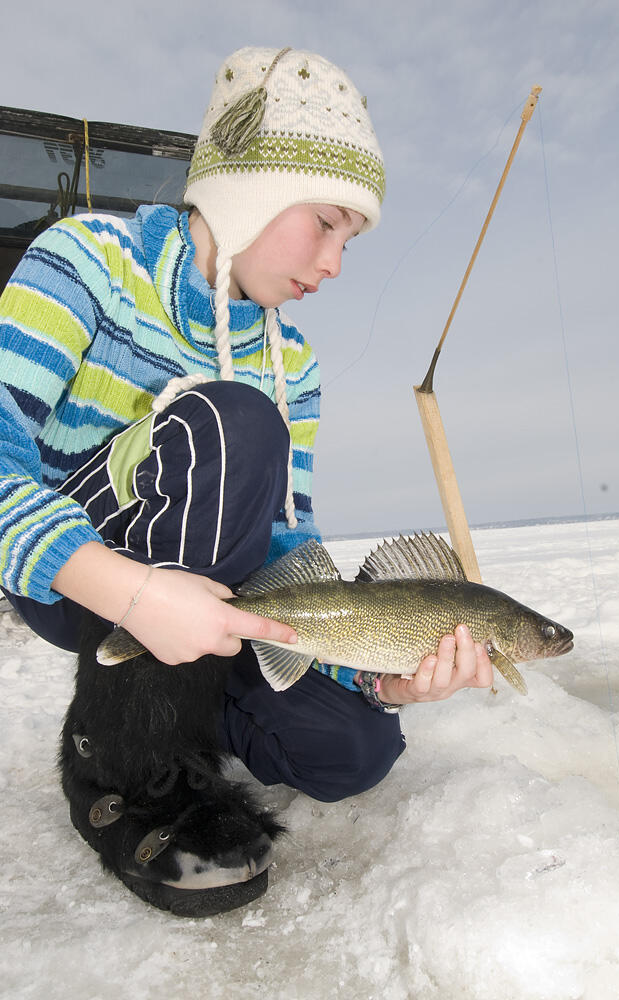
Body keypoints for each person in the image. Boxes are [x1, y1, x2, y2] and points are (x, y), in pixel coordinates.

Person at [0, 46, 493, 915]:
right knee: (227, 420)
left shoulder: (290, 359)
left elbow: (285, 548)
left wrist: (375, 672)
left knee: (351, 754)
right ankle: (120, 759)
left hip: (214, 604)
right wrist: (132, 591)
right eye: (327, 223)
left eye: (351, 240)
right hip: (74, 575)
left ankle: (194, 706)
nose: (335, 264)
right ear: (249, 191)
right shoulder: (85, 260)